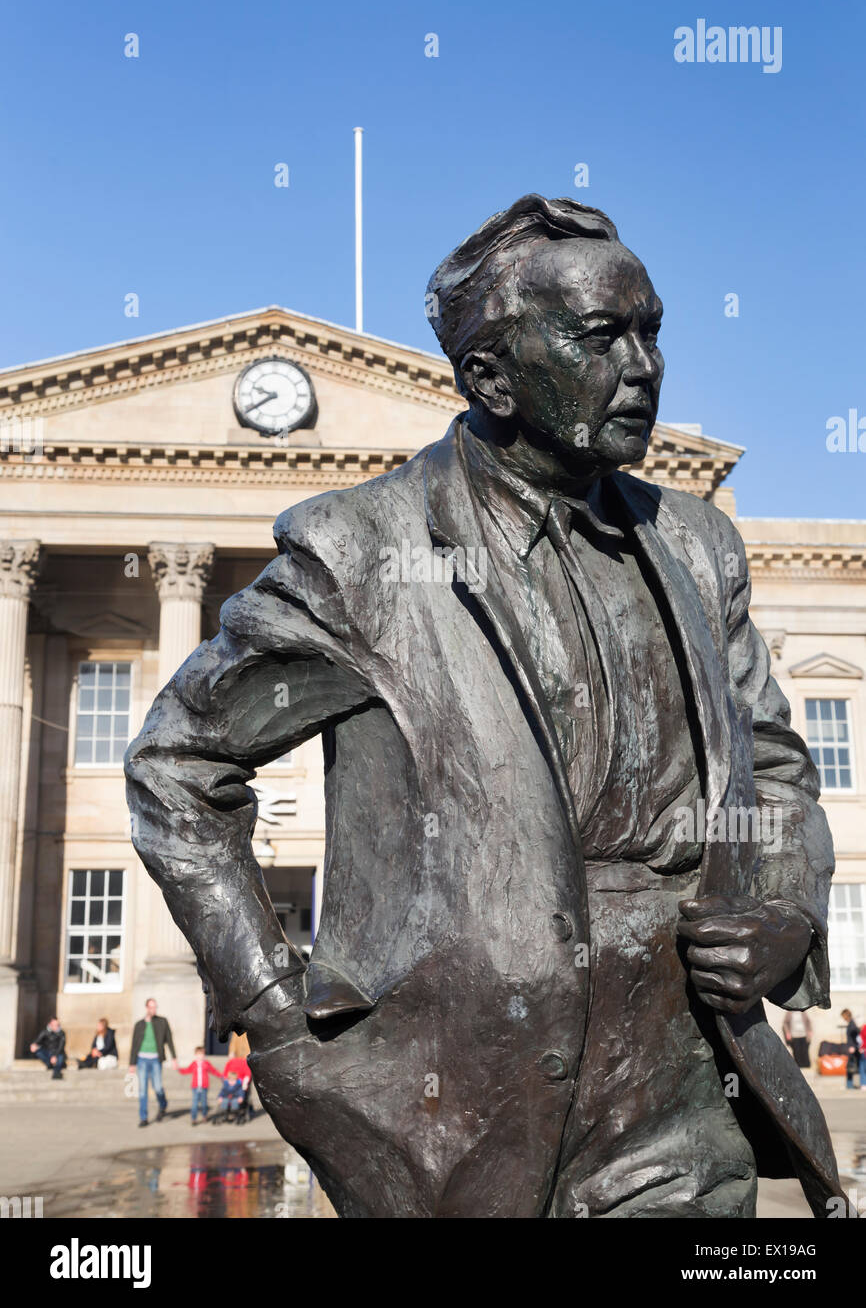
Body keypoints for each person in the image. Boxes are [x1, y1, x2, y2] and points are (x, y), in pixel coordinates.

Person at [126, 194, 846, 1219]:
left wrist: (783, 906)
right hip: (456, 1108)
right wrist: (272, 1006)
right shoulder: (364, 550)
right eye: (601, 338)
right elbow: (177, 767)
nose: (642, 367)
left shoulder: (695, 543)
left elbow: (770, 763)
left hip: (683, 1096)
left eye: (650, 332)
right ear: (490, 378)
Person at [128, 997, 177, 1127]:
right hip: (142, 1059)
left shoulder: (162, 1022)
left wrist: (174, 1058)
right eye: (151, 1007)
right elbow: (134, 1045)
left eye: (155, 1007)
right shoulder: (139, 1024)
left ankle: (163, 1105)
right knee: (143, 1090)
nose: (154, 1009)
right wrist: (132, 1064)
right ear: (147, 1008)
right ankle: (143, 1118)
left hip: (156, 1059)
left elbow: (169, 1040)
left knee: (158, 1087)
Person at [178, 1046, 222, 1124]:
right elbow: (187, 1070)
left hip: (204, 1086)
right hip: (195, 1087)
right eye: (198, 1054)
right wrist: (179, 1069)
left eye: (201, 1054)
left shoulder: (206, 1063)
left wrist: (221, 1076)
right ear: (195, 1055)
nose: (200, 1056)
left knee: (204, 1103)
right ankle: (193, 1118)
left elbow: (213, 1071)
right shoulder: (194, 1064)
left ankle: (204, 1115)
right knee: (194, 1104)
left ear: (204, 1055)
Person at [842, 1008, 861, 1090]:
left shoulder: (852, 1024)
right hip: (851, 1047)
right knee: (851, 1067)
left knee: (852, 1067)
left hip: (852, 1048)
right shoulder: (851, 1023)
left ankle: (850, 1085)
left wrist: (853, 1047)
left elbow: (855, 1036)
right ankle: (849, 1085)